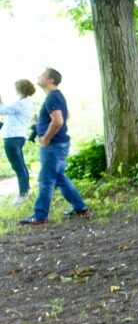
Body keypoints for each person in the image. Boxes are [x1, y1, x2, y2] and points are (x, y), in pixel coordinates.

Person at [19, 68, 89, 225]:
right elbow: (66, 115)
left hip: (53, 146)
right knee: (59, 177)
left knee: (46, 180)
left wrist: (46, 138)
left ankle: (39, 216)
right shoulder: (56, 96)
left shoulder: (52, 97)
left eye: (42, 75)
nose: (38, 76)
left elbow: (58, 121)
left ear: (50, 80)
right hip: (59, 143)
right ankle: (80, 207)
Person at [0, 79, 36, 203]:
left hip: (12, 138)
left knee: (18, 166)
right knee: (21, 165)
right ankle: (26, 191)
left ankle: (23, 195)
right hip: (17, 137)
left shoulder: (21, 103)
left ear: (20, 89)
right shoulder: (26, 103)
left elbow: (2, 110)